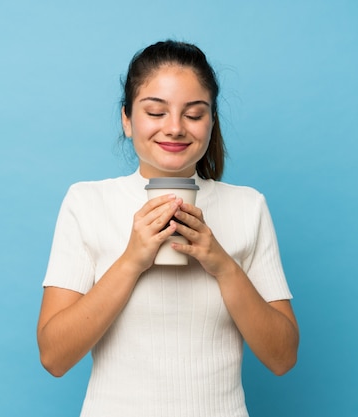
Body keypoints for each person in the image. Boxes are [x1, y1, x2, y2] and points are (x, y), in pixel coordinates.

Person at [37, 40, 299, 417]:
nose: (174, 128)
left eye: (193, 114)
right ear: (127, 120)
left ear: (211, 122)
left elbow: (283, 357)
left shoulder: (248, 206)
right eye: (156, 112)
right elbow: (54, 357)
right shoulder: (86, 202)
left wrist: (222, 264)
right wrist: (131, 260)